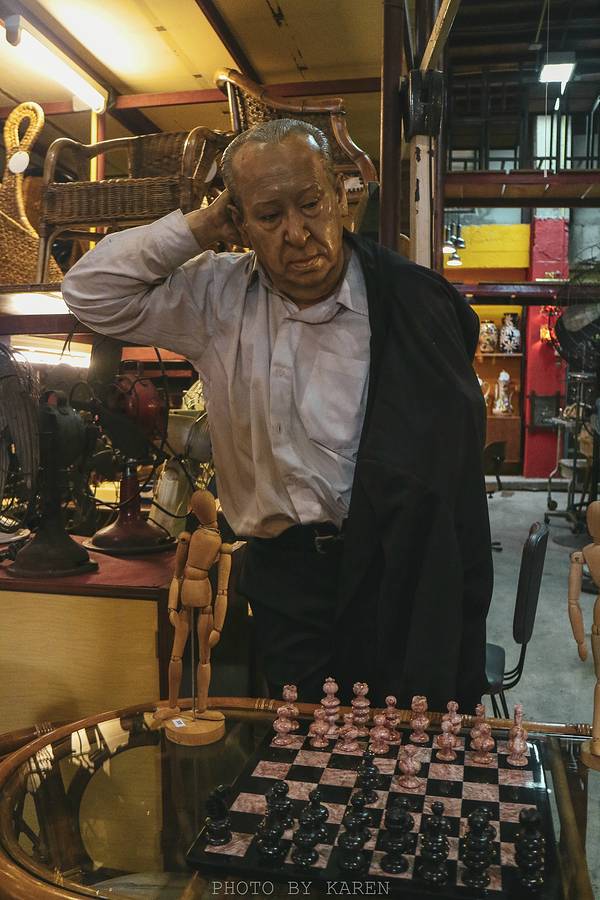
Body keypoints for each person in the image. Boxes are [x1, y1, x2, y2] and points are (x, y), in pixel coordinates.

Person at [62, 119, 493, 710]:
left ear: (340, 196)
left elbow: (450, 448)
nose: (298, 234)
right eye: (269, 216)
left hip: (397, 565)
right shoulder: (215, 299)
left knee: (406, 732)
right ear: (240, 225)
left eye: (311, 204)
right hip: (287, 581)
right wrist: (199, 227)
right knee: (302, 740)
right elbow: (89, 291)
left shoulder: (407, 300)